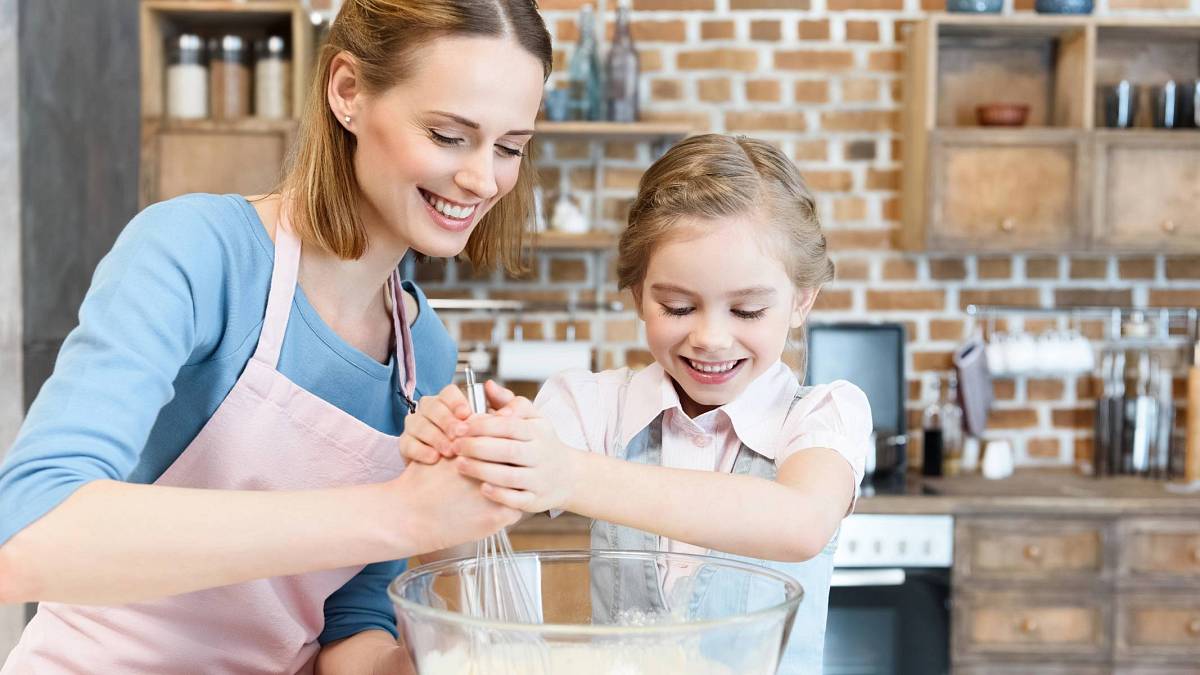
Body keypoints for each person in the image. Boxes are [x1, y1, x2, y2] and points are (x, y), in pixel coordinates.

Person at [0, 1, 551, 672]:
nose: (482, 177)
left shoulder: (422, 355)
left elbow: (348, 626)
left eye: (511, 147)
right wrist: (401, 513)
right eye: (447, 134)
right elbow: (28, 536)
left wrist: (444, 655)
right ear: (347, 91)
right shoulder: (199, 255)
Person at [402, 133, 873, 674]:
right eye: (677, 306)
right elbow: (460, 547)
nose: (711, 338)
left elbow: (800, 523)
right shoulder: (593, 407)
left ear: (800, 301)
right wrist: (454, 460)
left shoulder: (822, 416)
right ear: (637, 296)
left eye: (746, 311)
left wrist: (570, 475)